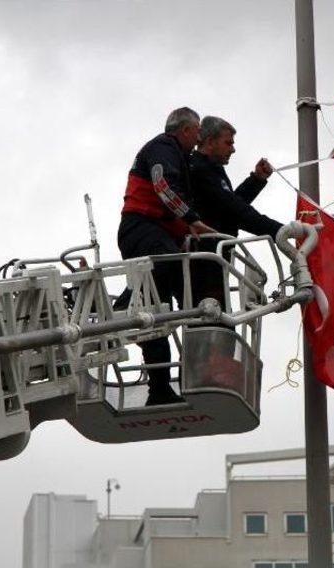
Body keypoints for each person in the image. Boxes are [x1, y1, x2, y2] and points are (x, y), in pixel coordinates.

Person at [117, 107, 214, 406]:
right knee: (159, 282)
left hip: (156, 234)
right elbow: (161, 184)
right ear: (185, 130)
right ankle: (124, 303)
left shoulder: (180, 157)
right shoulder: (162, 148)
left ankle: (159, 388)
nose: (199, 139)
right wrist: (191, 219)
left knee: (159, 312)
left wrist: (181, 233)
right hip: (141, 229)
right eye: (197, 132)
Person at [188, 116, 283, 308]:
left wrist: (256, 179)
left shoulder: (209, 170)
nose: (233, 149)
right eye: (228, 143)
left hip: (211, 258)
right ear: (210, 142)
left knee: (213, 322)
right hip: (204, 260)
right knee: (211, 322)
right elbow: (234, 209)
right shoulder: (200, 169)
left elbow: (228, 206)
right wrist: (282, 232)